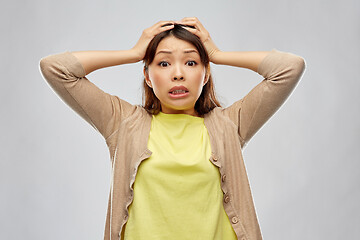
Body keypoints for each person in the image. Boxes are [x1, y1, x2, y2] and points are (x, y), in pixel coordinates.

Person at [39, 17, 305, 240]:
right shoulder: (123, 123)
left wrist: (218, 54)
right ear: (147, 75)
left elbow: (289, 68)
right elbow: (56, 69)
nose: (178, 73)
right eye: (164, 63)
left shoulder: (228, 124)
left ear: (206, 72)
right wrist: (133, 53)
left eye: (191, 62)